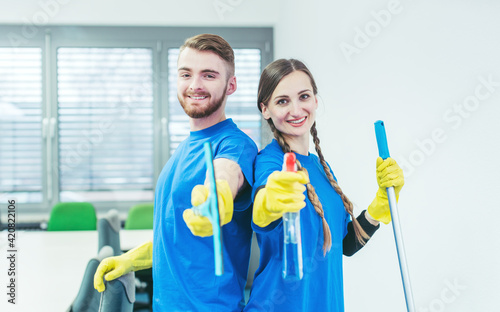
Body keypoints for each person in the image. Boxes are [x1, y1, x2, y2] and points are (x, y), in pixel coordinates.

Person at [93, 34, 258, 311]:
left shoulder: (235, 144)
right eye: (186, 74)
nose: (195, 85)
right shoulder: (184, 148)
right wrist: (130, 259)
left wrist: (215, 199)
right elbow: (177, 238)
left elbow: (225, 177)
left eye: (208, 75)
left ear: (231, 85)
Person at [244, 59, 405, 311]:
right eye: (282, 101)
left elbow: (346, 245)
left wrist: (379, 206)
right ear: (265, 109)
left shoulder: (322, 167)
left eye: (304, 96)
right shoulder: (271, 162)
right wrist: (269, 203)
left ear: (315, 101)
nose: (296, 110)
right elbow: (263, 209)